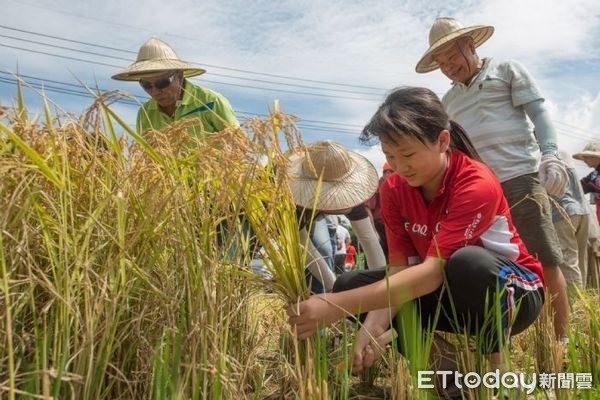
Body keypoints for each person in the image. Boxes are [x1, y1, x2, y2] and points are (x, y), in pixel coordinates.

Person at [287, 88, 545, 398]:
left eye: (407, 154)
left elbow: (432, 273)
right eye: (389, 156)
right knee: (349, 283)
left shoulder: (476, 182)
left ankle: (499, 378)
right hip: (449, 294)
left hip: (513, 294)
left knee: (467, 262)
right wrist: (373, 328)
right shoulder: (395, 188)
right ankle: (450, 374)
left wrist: (334, 306)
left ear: (442, 141)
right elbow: (398, 273)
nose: (399, 165)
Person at [416, 17, 569, 340]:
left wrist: (551, 153)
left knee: (544, 257)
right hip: (479, 191)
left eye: (452, 58)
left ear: (470, 45)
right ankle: (505, 334)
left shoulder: (506, 70)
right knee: (490, 263)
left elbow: (538, 112)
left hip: (519, 177)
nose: (448, 68)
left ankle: (559, 339)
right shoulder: (448, 102)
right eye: (441, 64)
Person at [286, 140, 388, 290]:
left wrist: (382, 287)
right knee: (319, 253)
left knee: (326, 251)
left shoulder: (353, 198)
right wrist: (333, 290)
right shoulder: (293, 204)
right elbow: (305, 248)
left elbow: (368, 239)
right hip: (275, 216)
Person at [111, 37, 239, 136]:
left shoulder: (211, 102)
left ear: (180, 75)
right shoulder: (145, 113)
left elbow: (239, 148)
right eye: (146, 85)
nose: (155, 91)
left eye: (162, 83)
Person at [551, 150, 591, 289]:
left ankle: (574, 305)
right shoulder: (563, 153)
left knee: (568, 263)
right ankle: (583, 304)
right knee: (580, 260)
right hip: (583, 211)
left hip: (563, 213)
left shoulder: (540, 154)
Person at [365, 162, 394, 262]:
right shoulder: (376, 186)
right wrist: (374, 231)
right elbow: (368, 208)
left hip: (393, 227)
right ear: (386, 173)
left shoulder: (397, 186)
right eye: (390, 172)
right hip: (379, 226)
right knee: (379, 259)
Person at [573, 141, 600, 224]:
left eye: (586, 157)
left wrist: (591, 187)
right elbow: (580, 185)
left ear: (596, 157)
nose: (584, 160)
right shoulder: (593, 175)